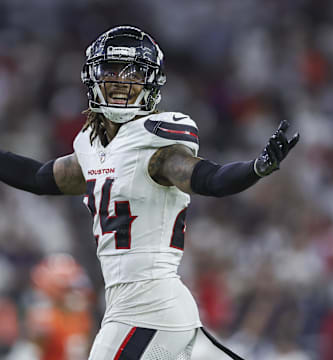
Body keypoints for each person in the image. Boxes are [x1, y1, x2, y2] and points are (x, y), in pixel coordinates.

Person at [0, 25, 299, 359]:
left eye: (134, 73)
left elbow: (207, 177)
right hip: (132, 307)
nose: (121, 81)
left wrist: (255, 168)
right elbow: (40, 177)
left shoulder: (154, 141)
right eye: (111, 70)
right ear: (93, 77)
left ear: (151, 82)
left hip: (151, 307)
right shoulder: (91, 145)